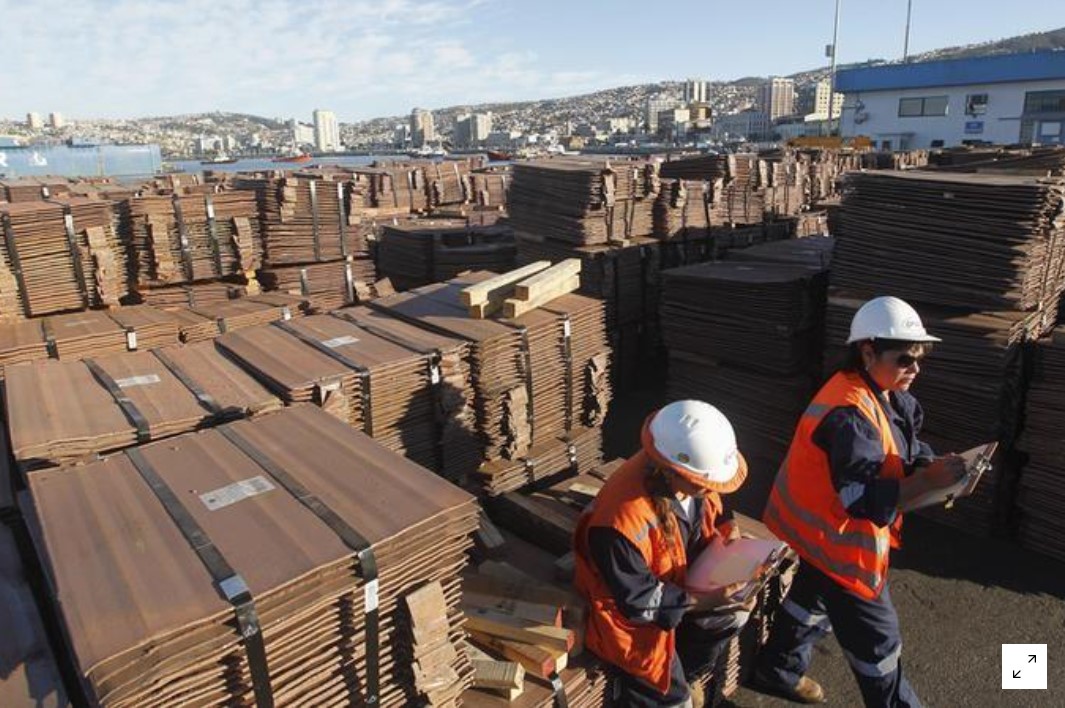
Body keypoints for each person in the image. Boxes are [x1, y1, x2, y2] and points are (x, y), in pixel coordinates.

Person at [753, 296, 971, 706]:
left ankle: (776, 669)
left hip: (820, 534)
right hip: (841, 542)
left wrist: (931, 465)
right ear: (868, 351)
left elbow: (900, 446)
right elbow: (859, 498)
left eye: (920, 358)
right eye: (905, 359)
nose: (915, 369)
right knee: (879, 647)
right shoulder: (848, 414)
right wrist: (927, 480)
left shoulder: (886, 394)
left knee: (810, 598)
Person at [574, 400, 756, 707]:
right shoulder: (620, 523)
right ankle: (674, 690)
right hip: (633, 623)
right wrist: (706, 600)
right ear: (674, 471)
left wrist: (731, 534)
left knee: (732, 614)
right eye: (705, 483)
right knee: (675, 702)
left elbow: (713, 507)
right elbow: (640, 602)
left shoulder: (686, 481)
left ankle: (687, 673)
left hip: (676, 582)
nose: (713, 489)